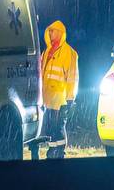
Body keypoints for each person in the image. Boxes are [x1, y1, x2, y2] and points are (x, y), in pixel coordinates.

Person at [40, 20, 78, 159]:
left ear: (60, 33)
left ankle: (60, 152)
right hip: (47, 98)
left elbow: (72, 77)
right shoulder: (47, 52)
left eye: (53, 31)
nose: (50, 33)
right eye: (49, 31)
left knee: (59, 127)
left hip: (61, 99)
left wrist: (70, 98)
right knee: (50, 127)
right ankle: (52, 152)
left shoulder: (69, 52)